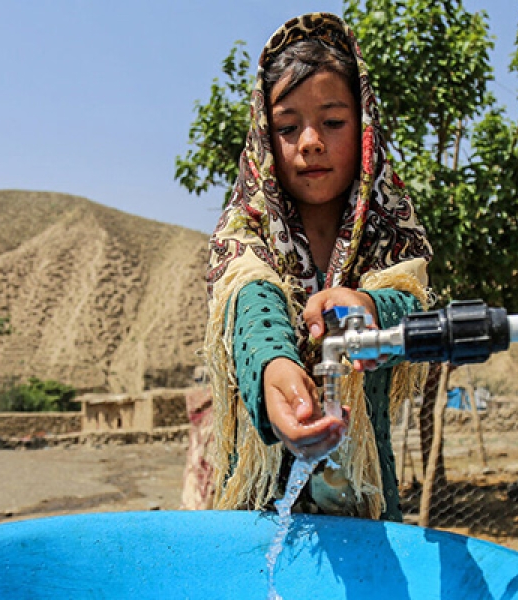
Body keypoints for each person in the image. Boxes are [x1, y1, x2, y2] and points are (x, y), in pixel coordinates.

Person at [182, 12, 433, 522]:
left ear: (365, 130)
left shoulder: (390, 230)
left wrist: (367, 305)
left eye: (333, 122)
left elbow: (410, 307)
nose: (311, 141)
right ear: (264, 137)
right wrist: (276, 370)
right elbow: (252, 306)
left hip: (363, 500)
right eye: (288, 127)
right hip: (257, 502)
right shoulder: (244, 232)